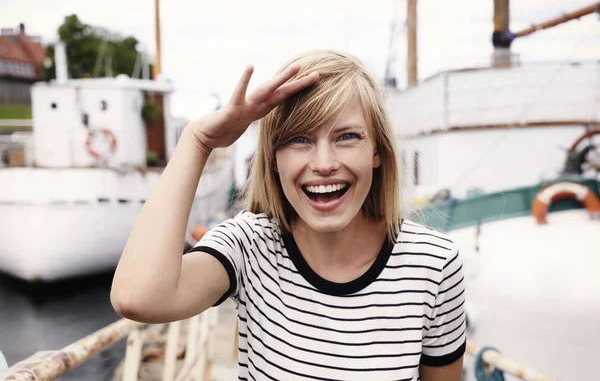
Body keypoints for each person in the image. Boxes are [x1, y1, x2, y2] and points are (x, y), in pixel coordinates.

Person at [111, 50, 466, 380]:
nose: (324, 164)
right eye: (299, 139)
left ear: (378, 151)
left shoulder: (434, 264)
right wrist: (197, 140)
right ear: (274, 161)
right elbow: (137, 298)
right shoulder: (249, 245)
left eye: (347, 137)